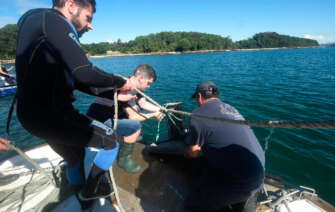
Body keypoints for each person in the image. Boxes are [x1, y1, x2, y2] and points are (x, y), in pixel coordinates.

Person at [14, 0, 134, 207]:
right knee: (112, 141)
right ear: (71, 5)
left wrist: (113, 94)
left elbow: (76, 80)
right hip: (52, 115)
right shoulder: (53, 21)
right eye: (88, 18)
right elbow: (85, 73)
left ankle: (82, 198)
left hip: (34, 117)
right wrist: (121, 81)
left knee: (75, 155)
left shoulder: (39, 27)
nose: (91, 26)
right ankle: (92, 189)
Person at [147, 81, 265, 211]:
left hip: (242, 181)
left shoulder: (198, 115)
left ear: (199, 96)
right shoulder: (231, 109)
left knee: (194, 204)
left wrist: (186, 153)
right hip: (259, 170)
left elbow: (194, 153)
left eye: (197, 99)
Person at [87, 64, 165, 173]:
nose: (149, 87)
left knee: (137, 109)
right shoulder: (124, 88)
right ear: (141, 78)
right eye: (148, 83)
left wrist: (161, 109)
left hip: (106, 117)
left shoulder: (131, 85)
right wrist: (152, 115)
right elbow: (133, 117)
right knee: (135, 127)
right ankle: (123, 159)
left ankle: (125, 139)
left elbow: (143, 103)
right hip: (98, 121)